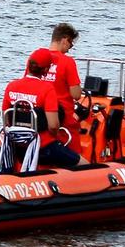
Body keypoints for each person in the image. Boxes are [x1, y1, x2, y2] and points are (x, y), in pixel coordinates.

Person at [0, 48, 81, 173]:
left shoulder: (11, 86)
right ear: (46, 70)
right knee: (85, 166)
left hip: (18, 145)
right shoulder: (47, 89)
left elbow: (6, 118)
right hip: (44, 146)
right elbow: (53, 125)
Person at [42, 22, 84, 155]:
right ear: (65, 40)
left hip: (41, 116)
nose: (70, 49)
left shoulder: (37, 58)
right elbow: (76, 94)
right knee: (75, 154)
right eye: (71, 44)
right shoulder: (67, 62)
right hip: (63, 119)